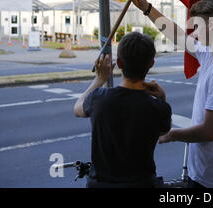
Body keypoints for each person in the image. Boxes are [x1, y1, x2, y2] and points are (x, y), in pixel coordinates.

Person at [128, 0, 213, 188]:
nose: (194, 33)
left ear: (210, 27)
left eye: (197, 27)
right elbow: (179, 35)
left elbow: (209, 132)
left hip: (212, 178)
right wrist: (147, 8)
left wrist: (172, 134)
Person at [73, 32, 172, 188]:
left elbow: (77, 108)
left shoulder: (98, 98)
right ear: (151, 63)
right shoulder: (158, 107)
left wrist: (99, 80)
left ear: (119, 63)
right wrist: (162, 99)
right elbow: (161, 132)